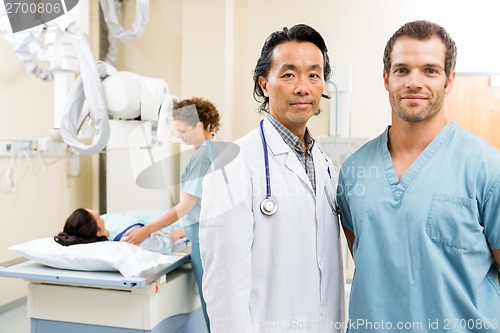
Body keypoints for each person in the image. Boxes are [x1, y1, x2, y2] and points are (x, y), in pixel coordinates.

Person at [336, 20, 500, 332]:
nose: (414, 82)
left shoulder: (487, 167)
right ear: (386, 78)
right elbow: (369, 260)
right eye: (402, 70)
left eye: (429, 70)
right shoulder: (355, 171)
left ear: (449, 80)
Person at [199, 24, 344, 333]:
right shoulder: (232, 164)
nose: (303, 87)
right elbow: (223, 288)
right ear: (264, 84)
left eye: (314, 75)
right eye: (289, 74)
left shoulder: (325, 164)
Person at [121, 97, 223, 333]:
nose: (179, 136)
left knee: (213, 308)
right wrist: (180, 232)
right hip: (209, 235)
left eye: (183, 130)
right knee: (220, 305)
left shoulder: (202, 158)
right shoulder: (217, 147)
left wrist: (147, 229)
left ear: (200, 125)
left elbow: (185, 206)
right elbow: (208, 203)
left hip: (206, 242)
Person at [54, 208, 186, 254]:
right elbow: (165, 243)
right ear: (97, 233)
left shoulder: (107, 225)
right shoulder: (130, 239)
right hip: (169, 228)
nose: (98, 213)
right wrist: (179, 233)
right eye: (98, 217)